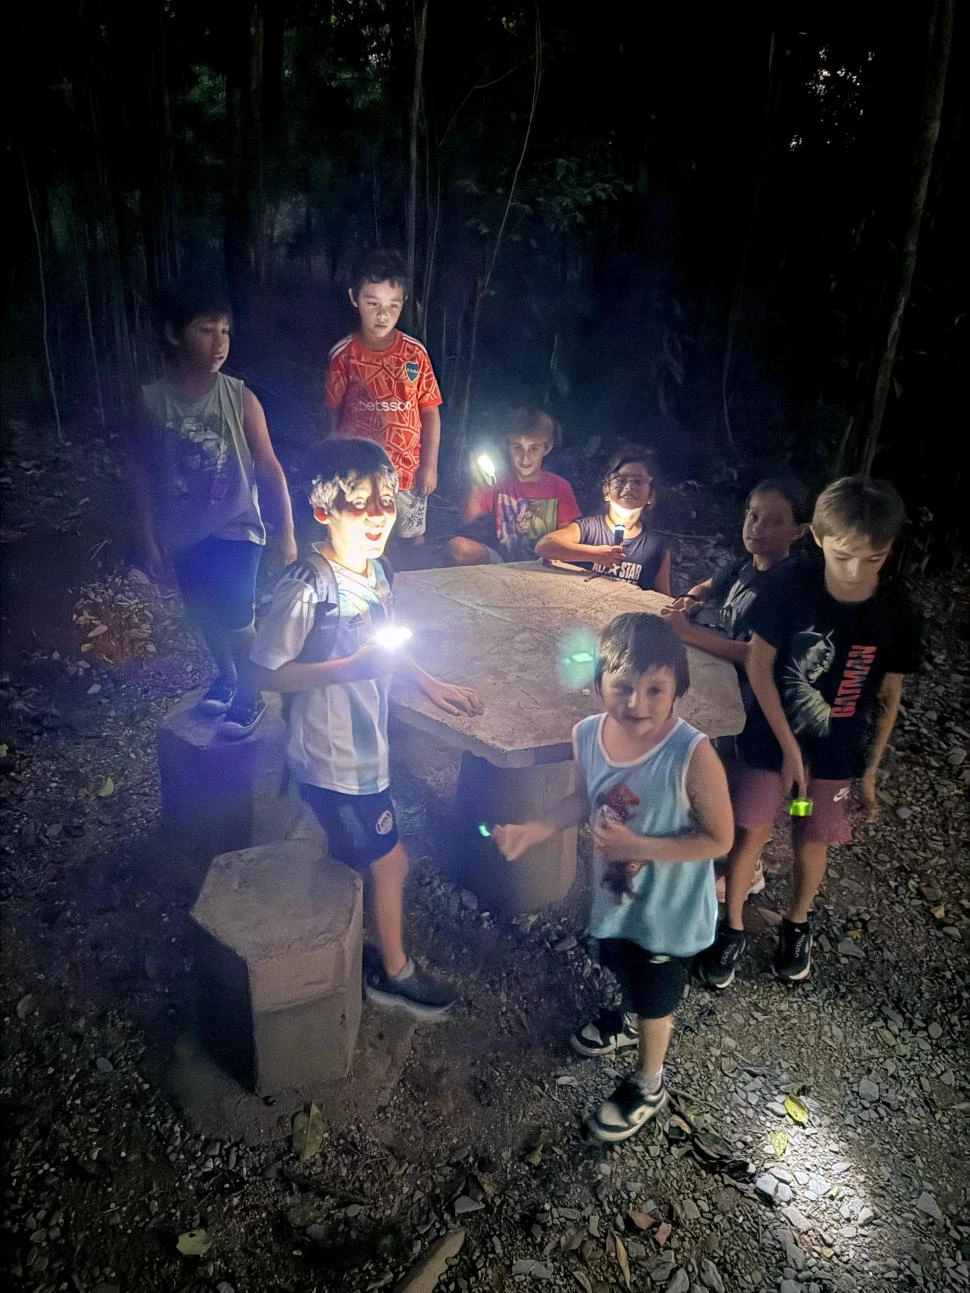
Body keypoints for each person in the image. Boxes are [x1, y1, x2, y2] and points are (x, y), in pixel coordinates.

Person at [248, 437, 484, 1017]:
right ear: (323, 509)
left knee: (364, 855)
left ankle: (352, 930)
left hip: (364, 750)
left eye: (387, 500)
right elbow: (263, 675)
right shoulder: (308, 588)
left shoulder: (375, 571)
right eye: (361, 503)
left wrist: (427, 681)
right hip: (333, 761)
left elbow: (383, 642)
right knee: (391, 860)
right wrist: (348, 669)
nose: (380, 514)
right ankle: (393, 971)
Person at [493, 615, 733, 1142]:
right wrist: (533, 830)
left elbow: (720, 839)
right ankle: (625, 1022)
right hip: (617, 897)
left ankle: (650, 1083)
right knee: (618, 959)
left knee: (656, 993)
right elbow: (583, 798)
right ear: (598, 682)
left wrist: (639, 847)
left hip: (668, 911)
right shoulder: (587, 734)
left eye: (655, 689)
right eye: (622, 686)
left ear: (678, 690)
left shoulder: (691, 754)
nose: (637, 703)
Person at [699, 476, 921, 990]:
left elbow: (888, 697)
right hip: (768, 743)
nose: (855, 571)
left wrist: (868, 773)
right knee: (752, 826)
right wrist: (788, 746)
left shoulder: (893, 612)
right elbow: (759, 665)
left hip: (832, 756)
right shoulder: (787, 585)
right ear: (818, 537)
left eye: (874, 557)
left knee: (808, 832)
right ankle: (729, 926)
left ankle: (797, 924)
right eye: (843, 554)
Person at [131, 284, 296, 739]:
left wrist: (287, 533)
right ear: (174, 334)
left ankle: (252, 693)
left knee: (237, 616)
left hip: (236, 526)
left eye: (225, 330)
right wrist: (147, 535)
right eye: (206, 330)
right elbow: (143, 473)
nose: (219, 341)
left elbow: (270, 468)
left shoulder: (240, 399)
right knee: (202, 611)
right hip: (182, 530)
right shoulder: (151, 402)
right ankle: (226, 675)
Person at [663, 477, 809, 902]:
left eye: (773, 521)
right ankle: (716, 851)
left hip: (763, 705)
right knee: (719, 773)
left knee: (750, 789)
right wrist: (691, 598)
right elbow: (713, 584)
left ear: (798, 532)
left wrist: (685, 632)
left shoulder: (787, 586)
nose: (757, 527)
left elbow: (751, 654)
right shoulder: (744, 566)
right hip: (728, 695)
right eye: (753, 515)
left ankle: (750, 867)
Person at [325, 249, 443, 543]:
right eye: (372, 303)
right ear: (354, 298)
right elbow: (332, 413)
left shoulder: (415, 354)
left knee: (411, 541)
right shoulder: (344, 356)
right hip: (360, 474)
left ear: (403, 303)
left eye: (392, 305)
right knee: (364, 540)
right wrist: (333, 463)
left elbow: (429, 412)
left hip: (407, 476)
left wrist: (429, 465)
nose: (382, 314)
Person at [448, 407, 580, 564]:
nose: (525, 458)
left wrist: (555, 555)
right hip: (502, 562)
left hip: (544, 564)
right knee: (457, 547)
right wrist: (476, 485)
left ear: (547, 447)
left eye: (534, 449)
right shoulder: (498, 481)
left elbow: (567, 534)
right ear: (507, 445)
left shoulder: (559, 487)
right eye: (517, 447)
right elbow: (467, 518)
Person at [534, 448, 672, 594]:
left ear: (651, 494)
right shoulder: (587, 529)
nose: (628, 487)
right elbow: (544, 546)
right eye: (620, 480)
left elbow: (662, 597)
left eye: (637, 482)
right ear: (606, 490)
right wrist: (595, 554)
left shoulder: (657, 547)